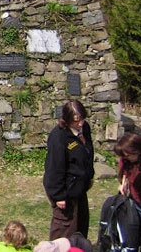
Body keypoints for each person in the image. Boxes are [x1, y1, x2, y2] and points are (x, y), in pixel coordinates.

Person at [43, 100, 94, 240]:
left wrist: (89, 175)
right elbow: (54, 167)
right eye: (76, 121)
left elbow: (88, 153)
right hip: (65, 191)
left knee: (81, 229)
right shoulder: (58, 137)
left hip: (80, 188)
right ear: (66, 120)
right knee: (64, 231)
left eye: (82, 119)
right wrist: (58, 195)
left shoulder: (85, 129)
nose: (80, 124)